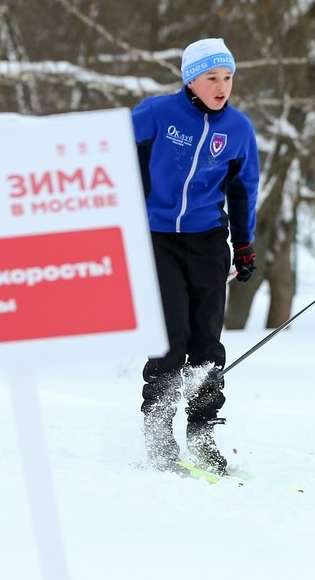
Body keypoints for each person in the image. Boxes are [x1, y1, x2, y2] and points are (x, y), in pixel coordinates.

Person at [131, 37, 260, 475]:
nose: (222, 86)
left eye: (227, 78)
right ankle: (158, 431)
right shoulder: (155, 114)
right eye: (212, 78)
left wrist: (243, 244)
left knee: (207, 343)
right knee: (171, 337)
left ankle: (203, 435)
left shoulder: (238, 129)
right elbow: (116, 159)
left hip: (207, 238)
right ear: (191, 79)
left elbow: (244, 190)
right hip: (156, 236)